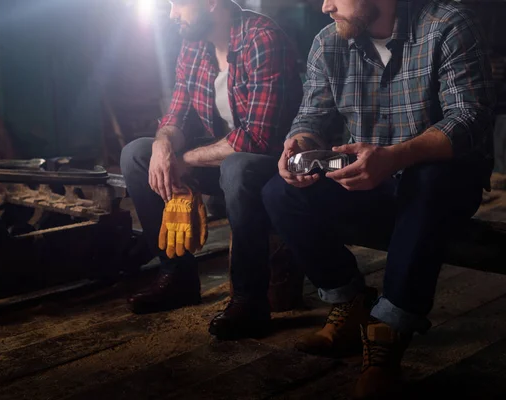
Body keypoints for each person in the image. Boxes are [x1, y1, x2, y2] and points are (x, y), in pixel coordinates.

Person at [261, 0, 495, 398]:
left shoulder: (447, 24)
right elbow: (312, 117)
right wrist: (299, 147)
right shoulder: (328, 42)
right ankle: (350, 303)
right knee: (280, 191)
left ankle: (388, 333)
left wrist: (396, 157)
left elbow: (468, 117)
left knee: (430, 178)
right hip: (371, 181)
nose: (325, 6)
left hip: (438, 183)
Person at [120, 0, 303, 339]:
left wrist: (184, 161)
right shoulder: (193, 42)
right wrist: (162, 144)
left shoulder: (262, 38)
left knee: (236, 167)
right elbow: (177, 113)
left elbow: (258, 139)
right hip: (223, 157)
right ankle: (177, 277)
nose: (171, 13)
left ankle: (250, 302)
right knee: (137, 154)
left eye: (178, 4)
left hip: (272, 164)